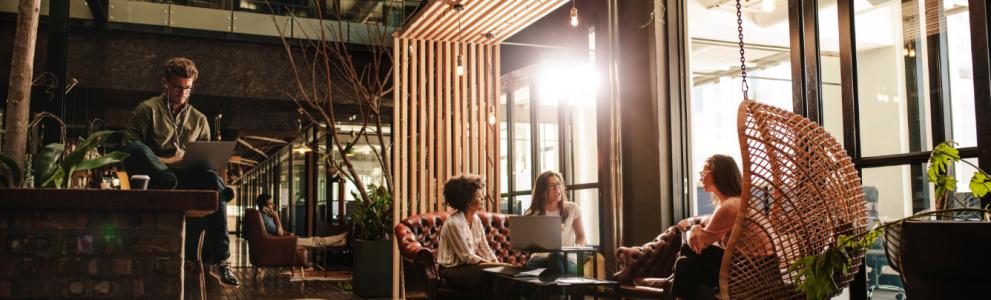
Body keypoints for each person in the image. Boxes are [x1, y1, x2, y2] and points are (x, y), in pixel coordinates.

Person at [122, 57, 239, 286]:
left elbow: (206, 161)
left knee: (212, 178)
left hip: (187, 175)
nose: (182, 93)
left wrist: (194, 162)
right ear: (165, 83)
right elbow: (129, 150)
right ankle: (214, 191)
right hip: (159, 175)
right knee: (136, 148)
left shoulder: (200, 120)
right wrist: (166, 160)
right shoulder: (148, 110)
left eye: (188, 89)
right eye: (178, 87)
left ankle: (222, 260)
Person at [670, 154, 743, 299]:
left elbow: (698, 244)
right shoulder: (731, 202)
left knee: (686, 256)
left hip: (749, 270)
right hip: (746, 265)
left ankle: (673, 287)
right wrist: (693, 226)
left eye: (704, 173)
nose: (700, 178)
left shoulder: (730, 206)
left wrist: (692, 229)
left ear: (718, 174)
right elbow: (703, 226)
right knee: (685, 263)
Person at [436, 174, 505, 295]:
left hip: (467, 269)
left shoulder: (476, 220)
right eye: (479, 195)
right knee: (491, 271)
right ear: (467, 200)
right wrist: (495, 266)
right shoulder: (454, 223)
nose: (483, 198)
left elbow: (485, 249)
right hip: (450, 271)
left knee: (499, 273)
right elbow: (467, 257)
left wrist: (498, 264)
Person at [524, 171, 587, 274]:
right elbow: (528, 244)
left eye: (559, 184)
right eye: (552, 186)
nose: (557, 189)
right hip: (540, 259)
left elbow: (581, 237)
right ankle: (557, 288)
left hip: (566, 258)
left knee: (555, 257)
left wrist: (577, 249)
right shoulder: (532, 214)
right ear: (542, 191)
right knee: (533, 263)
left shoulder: (572, 208)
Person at [255, 194, 347, 247]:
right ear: (264, 207)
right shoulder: (264, 218)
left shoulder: (264, 217)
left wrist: (287, 233)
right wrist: (276, 217)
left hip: (283, 240)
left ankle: (342, 241)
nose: (273, 205)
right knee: (316, 241)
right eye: (270, 204)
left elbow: (278, 232)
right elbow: (279, 233)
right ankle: (342, 236)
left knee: (315, 240)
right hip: (283, 242)